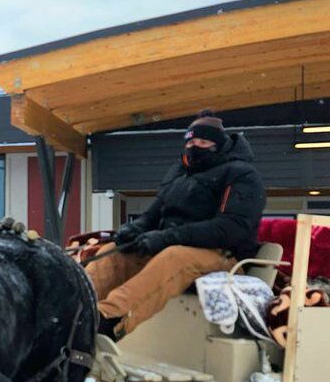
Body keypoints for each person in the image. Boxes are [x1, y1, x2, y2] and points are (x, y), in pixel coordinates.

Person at [87, 110, 266, 340]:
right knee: (113, 253)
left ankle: (110, 319)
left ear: (218, 145)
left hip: (224, 257)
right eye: (191, 141)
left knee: (175, 257)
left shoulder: (241, 174)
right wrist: (135, 229)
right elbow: (154, 213)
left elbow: (231, 228)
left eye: (203, 141)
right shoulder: (180, 174)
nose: (195, 146)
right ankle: (73, 307)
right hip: (174, 248)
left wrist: (169, 237)